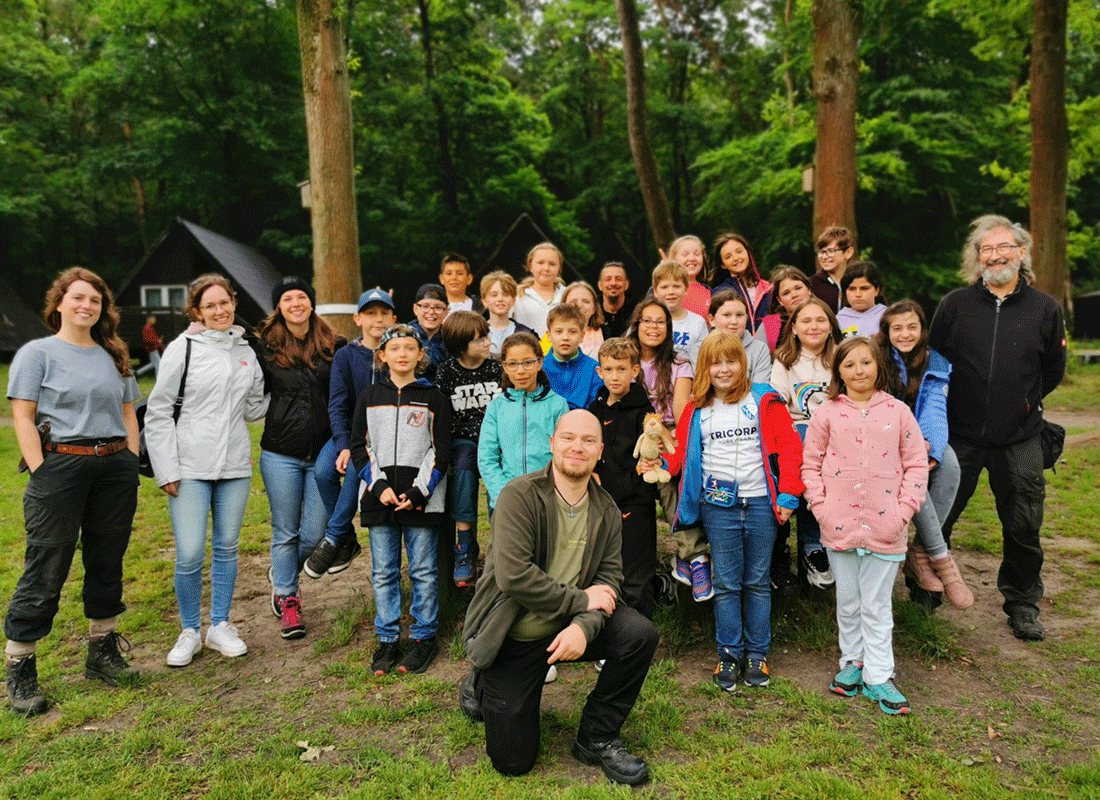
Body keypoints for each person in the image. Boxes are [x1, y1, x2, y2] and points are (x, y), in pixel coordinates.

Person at [460, 410, 659, 786]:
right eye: (568, 437)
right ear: (552, 444)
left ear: (600, 451)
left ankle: (597, 737)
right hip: (514, 633)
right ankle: (482, 677)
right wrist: (581, 604)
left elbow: (609, 581)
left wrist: (584, 628)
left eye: (587, 440)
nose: (577, 447)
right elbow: (514, 576)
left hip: (567, 628)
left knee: (639, 634)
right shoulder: (519, 496)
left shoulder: (607, 512)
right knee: (513, 761)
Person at [4, 268, 141, 715]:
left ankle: (102, 653)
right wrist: (43, 471)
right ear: (59, 302)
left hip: (114, 467)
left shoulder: (113, 354)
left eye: (95, 300)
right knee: (49, 561)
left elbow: (128, 410)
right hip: (61, 465)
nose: (87, 305)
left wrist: (129, 457)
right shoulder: (37, 353)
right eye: (78, 297)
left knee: (107, 559)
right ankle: (20, 667)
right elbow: (23, 416)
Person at [929, 214, 1066, 641]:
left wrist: (1022, 400)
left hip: (1020, 436)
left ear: (1021, 253)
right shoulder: (954, 306)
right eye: (986, 249)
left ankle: (1023, 603)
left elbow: (1053, 371)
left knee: (1024, 524)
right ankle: (925, 592)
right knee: (939, 517)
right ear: (977, 258)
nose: (995, 255)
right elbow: (934, 364)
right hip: (960, 435)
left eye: (1003, 247)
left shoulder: (1045, 308)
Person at [663, 332, 803, 690]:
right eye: (715, 362)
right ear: (703, 367)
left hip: (761, 504)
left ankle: (758, 654)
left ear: (744, 363)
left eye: (731, 361)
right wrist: (662, 463)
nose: (724, 370)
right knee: (726, 583)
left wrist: (788, 495)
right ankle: (729, 654)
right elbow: (683, 454)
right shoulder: (696, 408)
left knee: (756, 581)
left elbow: (789, 448)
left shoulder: (764, 399)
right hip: (718, 507)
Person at [146, 274, 268, 667]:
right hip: (188, 467)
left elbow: (252, 409)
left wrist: (280, 384)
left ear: (234, 303)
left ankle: (219, 625)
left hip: (234, 465)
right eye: (211, 305)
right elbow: (160, 410)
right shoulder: (182, 349)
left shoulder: (245, 350)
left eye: (225, 302)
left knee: (228, 547)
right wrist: (166, 468)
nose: (220, 310)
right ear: (197, 311)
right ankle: (188, 631)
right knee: (190, 552)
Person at [802, 337, 928, 714]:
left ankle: (879, 675)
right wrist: (821, 508)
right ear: (838, 371)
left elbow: (917, 463)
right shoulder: (826, 413)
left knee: (876, 605)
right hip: (838, 525)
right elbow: (810, 463)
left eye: (866, 363)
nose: (859, 371)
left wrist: (903, 511)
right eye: (849, 365)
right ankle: (852, 662)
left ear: (879, 366)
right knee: (849, 600)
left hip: (885, 526)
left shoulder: (898, 412)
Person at [351, 324, 451, 676]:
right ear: (383, 355)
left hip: (422, 498)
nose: (403, 354)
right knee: (384, 571)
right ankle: (388, 640)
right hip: (380, 498)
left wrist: (418, 491)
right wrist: (379, 488)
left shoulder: (434, 397)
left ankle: (424, 638)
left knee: (423, 569)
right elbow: (360, 448)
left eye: (411, 348)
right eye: (395, 349)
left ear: (421, 355)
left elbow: (441, 451)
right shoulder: (368, 396)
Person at [253, 276, 345, 640]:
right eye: (287, 298)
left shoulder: (333, 345)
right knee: (285, 529)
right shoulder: (265, 347)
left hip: (322, 450)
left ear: (311, 302)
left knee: (315, 532)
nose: (295, 303)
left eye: (301, 296)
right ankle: (288, 599)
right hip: (280, 452)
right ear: (279, 306)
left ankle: (283, 571)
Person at [877, 300, 973, 610]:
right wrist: (910, 445)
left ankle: (918, 553)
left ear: (923, 330)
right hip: (883, 440)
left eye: (912, 327)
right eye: (897, 328)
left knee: (952, 465)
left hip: (922, 437)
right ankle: (941, 559)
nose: (905, 334)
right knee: (913, 471)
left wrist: (929, 441)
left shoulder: (936, 362)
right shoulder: (876, 358)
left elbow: (933, 407)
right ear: (886, 331)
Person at [304, 288, 395, 579]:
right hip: (350, 432)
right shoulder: (346, 355)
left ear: (393, 318)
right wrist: (343, 443)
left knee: (358, 465)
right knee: (322, 471)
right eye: (370, 314)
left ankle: (332, 538)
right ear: (358, 318)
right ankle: (348, 538)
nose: (377, 320)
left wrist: (355, 447)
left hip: (383, 434)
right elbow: (337, 404)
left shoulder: (397, 351)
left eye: (384, 314)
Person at [770, 297, 843, 589]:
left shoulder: (841, 356)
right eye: (806, 321)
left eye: (820, 320)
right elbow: (779, 405)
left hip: (837, 429)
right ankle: (782, 546)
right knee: (798, 459)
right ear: (794, 328)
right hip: (797, 430)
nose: (814, 326)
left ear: (830, 326)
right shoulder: (785, 360)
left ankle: (815, 544)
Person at [588, 337, 660, 618]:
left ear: (635, 371)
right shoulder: (595, 409)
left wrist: (631, 486)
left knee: (635, 571)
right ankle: (603, 628)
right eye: (608, 369)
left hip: (635, 504)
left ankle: (636, 635)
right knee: (603, 567)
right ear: (599, 372)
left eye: (621, 369)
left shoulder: (644, 413)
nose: (614, 376)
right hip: (600, 501)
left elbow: (649, 463)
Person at [434, 311, 502, 587]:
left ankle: (502, 544)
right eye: (479, 340)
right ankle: (465, 546)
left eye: (487, 336)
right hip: (464, 440)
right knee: (462, 470)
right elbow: (443, 416)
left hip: (498, 438)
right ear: (461, 345)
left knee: (502, 478)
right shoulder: (447, 372)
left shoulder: (497, 369)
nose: (487, 343)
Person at [478, 332, 570, 514]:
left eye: (528, 362)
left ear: (539, 363)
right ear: (504, 366)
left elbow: (563, 453)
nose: (521, 371)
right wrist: (504, 494)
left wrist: (552, 490)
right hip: (506, 498)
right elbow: (487, 457)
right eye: (512, 364)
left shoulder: (557, 404)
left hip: (548, 497)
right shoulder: (497, 407)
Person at [542, 303, 603, 410]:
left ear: (582, 336)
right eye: (559, 331)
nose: (565, 337)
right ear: (549, 336)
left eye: (572, 332)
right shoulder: (539, 368)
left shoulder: (594, 369)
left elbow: (597, 407)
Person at [711, 233, 772, 335]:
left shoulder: (768, 288)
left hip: (767, 348)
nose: (735, 258)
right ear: (723, 264)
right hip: (735, 346)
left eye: (739, 251)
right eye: (728, 256)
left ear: (748, 253)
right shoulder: (721, 291)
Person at [653, 260, 708, 369]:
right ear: (655, 291)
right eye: (664, 287)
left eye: (677, 286)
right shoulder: (647, 321)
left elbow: (705, 357)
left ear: (686, 289)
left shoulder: (698, 322)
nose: (671, 292)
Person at [707, 290, 771, 383]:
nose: (734, 321)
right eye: (727, 315)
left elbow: (760, 387)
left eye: (739, 315)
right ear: (712, 320)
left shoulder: (759, 349)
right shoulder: (699, 349)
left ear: (746, 317)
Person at [512, 242, 566, 337]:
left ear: (559, 268)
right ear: (530, 265)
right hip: (527, 350)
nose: (546, 268)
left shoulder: (568, 295)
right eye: (540, 263)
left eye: (552, 264)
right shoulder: (516, 296)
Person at [757, 266, 812, 353]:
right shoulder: (768, 326)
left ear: (809, 290)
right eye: (786, 293)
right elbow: (757, 361)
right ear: (779, 300)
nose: (794, 295)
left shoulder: (825, 317)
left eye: (798, 288)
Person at [481, 270, 533, 358]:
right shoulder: (476, 333)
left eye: (505, 295)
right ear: (484, 301)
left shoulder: (526, 333)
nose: (500, 299)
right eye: (494, 295)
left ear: (513, 300)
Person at [809, 226, 855, 313]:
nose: (824, 257)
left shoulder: (859, 282)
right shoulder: (811, 285)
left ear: (848, 253)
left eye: (831, 251)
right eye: (821, 251)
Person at [836, 261, 888, 337]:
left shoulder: (887, 316)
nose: (858, 294)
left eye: (864, 288)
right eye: (852, 289)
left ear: (877, 290)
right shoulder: (839, 320)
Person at [408, 283, 448, 380]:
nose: (431, 312)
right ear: (415, 309)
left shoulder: (452, 339)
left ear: (446, 312)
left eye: (438, 307)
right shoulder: (403, 337)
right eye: (425, 306)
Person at [665, 235, 711, 317]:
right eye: (685, 254)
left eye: (697, 254)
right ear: (673, 259)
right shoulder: (663, 289)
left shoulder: (709, 292)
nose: (692, 258)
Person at [559, 281, 605, 358]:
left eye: (586, 302)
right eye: (573, 302)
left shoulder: (605, 332)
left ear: (594, 308)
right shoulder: (552, 333)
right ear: (563, 306)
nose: (579, 305)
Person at [597, 262, 634, 338]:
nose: (613, 283)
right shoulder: (593, 313)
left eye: (618, 279)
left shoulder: (636, 313)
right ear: (600, 285)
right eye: (608, 279)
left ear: (626, 285)